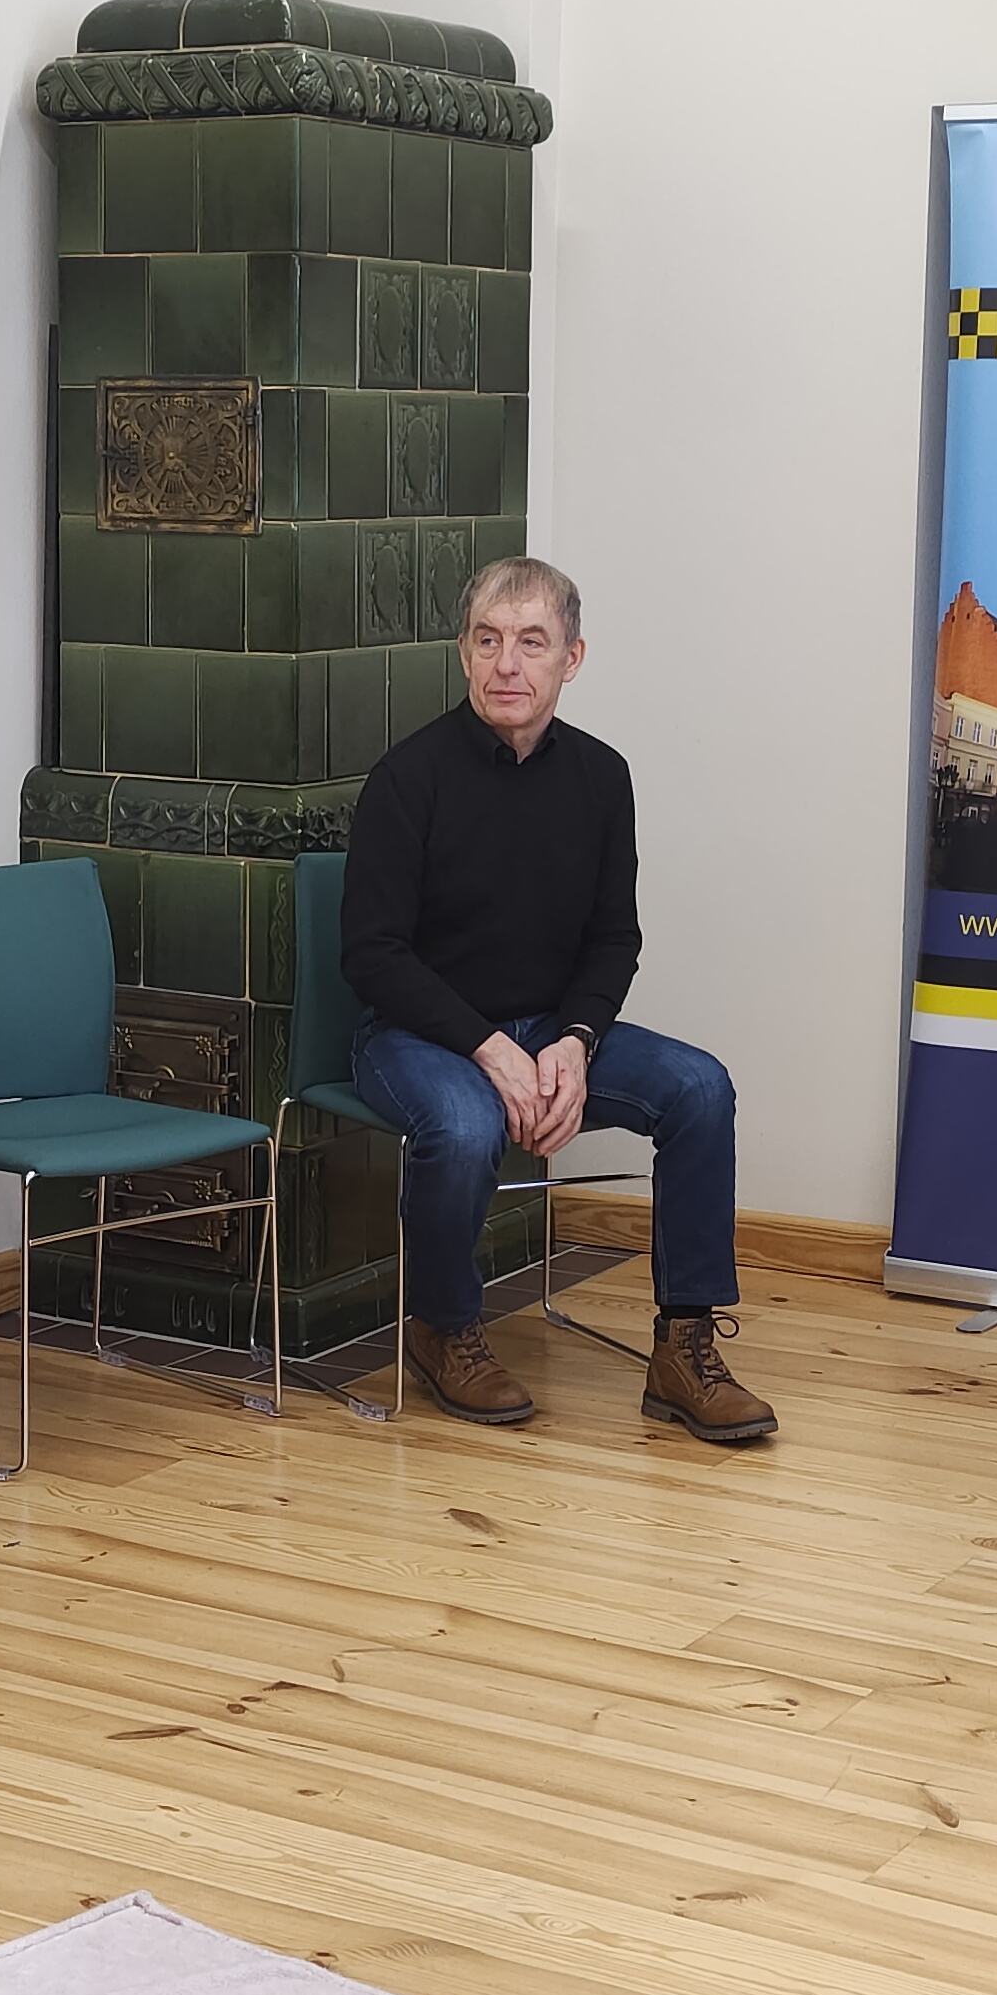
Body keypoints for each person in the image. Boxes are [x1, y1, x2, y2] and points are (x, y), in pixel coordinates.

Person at [343, 556, 769, 1441]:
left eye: (531, 643)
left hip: (548, 1027)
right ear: (463, 653)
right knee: (465, 1124)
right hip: (416, 1037)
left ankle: (682, 1349)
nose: (508, 664)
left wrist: (574, 1041)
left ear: (571, 658)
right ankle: (443, 1328)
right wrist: (489, 1048)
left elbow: (614, 938)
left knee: (700, 1089)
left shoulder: (602, 778)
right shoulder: (407, 778)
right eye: (488, 641)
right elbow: (372, 956)